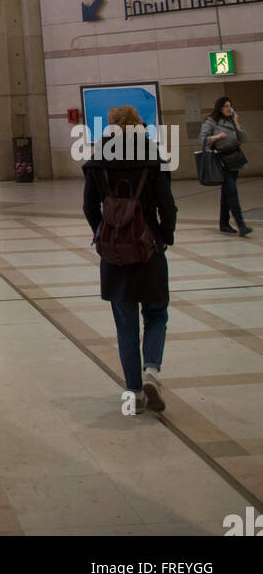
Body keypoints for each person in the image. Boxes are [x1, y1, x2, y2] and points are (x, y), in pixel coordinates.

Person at [83, 105, 177, 414]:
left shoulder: (98, 159)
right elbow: (168, 205)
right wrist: (164, 237)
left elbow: (88, 207)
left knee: (125, 325)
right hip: (148, 248)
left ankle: (134, 392)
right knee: (156, 313)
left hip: (115, 253)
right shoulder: (151, 155)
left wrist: (105, 233)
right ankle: (152, 371)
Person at [199, 97, 252, 236]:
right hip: (221, 160)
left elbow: (243, 138)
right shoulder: (211, 121)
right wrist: (216, 137)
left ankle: (223, 223)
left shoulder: (231, 120)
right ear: (220, 108)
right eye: (226, 106)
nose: (229, 108)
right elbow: (202, 139)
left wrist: (236, 122)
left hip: (234, 159)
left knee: (227, 193)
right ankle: (241, 225)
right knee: (232, 192)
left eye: (230, 106)